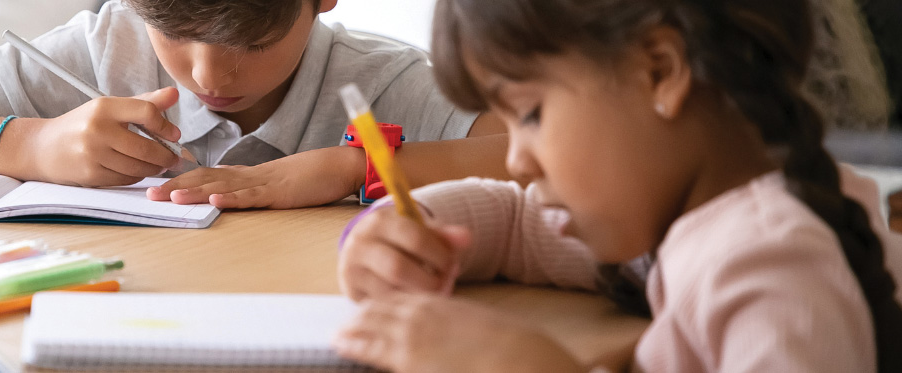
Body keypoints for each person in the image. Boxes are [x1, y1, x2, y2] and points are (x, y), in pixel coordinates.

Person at [334, 0, 902, 371]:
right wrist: (408, 231)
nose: (516, 159)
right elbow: (516, 221)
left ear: (659, 72)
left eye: (530, 114)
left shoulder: (772, 264)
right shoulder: (678, 215)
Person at [0, 0, 508, 209]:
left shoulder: (381, 80)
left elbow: (535, 158)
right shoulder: (102, 50)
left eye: (252, 38)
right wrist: (31, 143)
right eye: (175, 33)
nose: (208, 73)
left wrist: (352, 169)